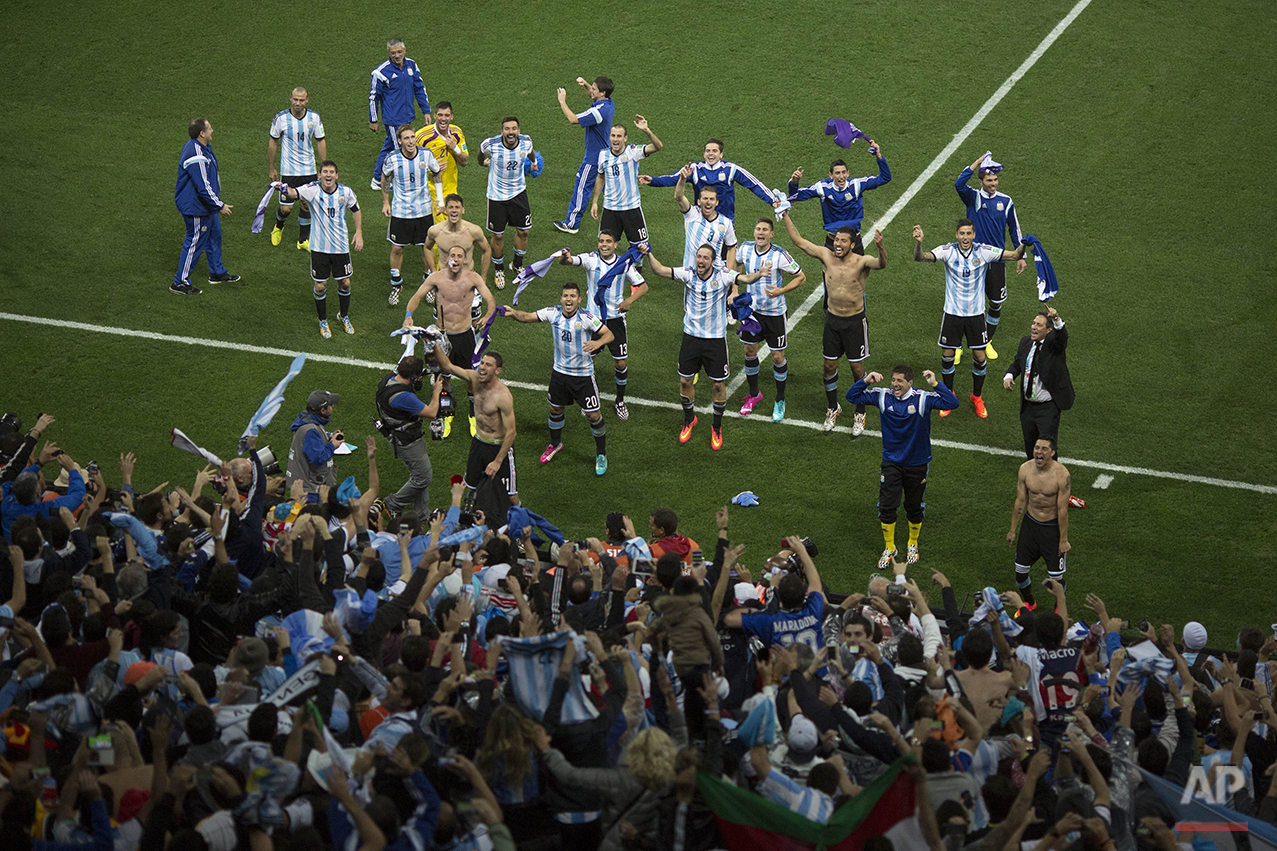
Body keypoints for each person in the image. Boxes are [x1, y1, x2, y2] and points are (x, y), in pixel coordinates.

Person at [637, 244, 769, 450]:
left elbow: (744, 279)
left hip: (715, 340)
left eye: (706, 258)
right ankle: (689, 420)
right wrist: (648, 253)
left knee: (718, 385)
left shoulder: (723, 275)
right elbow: (659, 270)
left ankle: (716, 427)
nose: (701, 261)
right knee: (684, 381)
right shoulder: (688, 274)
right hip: (691, 338)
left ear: (713, 261)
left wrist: (759, 274)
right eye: (699, 256)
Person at [845, 364, 959, 568]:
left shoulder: (922, 398)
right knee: (887, 507)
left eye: (899, 381)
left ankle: (912, 543)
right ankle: (890, 547)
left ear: (910, 383)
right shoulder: (882, 396)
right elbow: (851, 397)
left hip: (917, 462)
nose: (895, 385)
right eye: (893, 380)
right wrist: (865, 380)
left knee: (914, 507)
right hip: (892, 463)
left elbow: (952, 403)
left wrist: (935, 383)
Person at [781, 212, 886, 433]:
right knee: (828, 367)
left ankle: (860, 412)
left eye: (843, 241)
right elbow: (799, 242)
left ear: (853, 244)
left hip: (855, 323)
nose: (838, 244)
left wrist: (881, 247)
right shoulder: (826, 257)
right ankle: (832, 408)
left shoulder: (861, 261)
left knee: (858, 371)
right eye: (836, 240)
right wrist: (786, 215)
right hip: (832, 322)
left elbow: (881, 264)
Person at [913, 220, 1025, 419]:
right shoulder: (948, 251)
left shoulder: (984, 251)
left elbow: (1014, 255)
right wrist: (919, 242)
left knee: (980, 358)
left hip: (975, 316)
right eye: (962, 233)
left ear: (974, 235)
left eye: (969, 233)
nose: (965, 237)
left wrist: (1025, 243)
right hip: (952, 314)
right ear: (956, 234)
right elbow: (920, 257)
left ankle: (977, 397)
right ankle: (948, 396)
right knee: (947, 356)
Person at [501, 283, 614, 475]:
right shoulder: (552, 313)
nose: (568, 299)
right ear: (561, 299)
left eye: (572, 296)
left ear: (579, 299)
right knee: (555, 408)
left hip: (583, 375)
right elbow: (528, 317)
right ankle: (555, 444)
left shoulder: (587, 317)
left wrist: (598, 342)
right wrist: (513, 313)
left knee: (594, 415)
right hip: (560, 373)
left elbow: (609, 334)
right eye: (565, 296)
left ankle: (601, 454)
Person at [404, 245, 497, 437]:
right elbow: (417, 297)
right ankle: (447, 413)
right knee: (442, 376)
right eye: (452, 255)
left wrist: (488, 314)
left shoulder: (473, 278)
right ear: (446, 258)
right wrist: (408, 315)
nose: (455, 259)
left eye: (459, 256)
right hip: (442, 335)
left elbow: (490, 299)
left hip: (465, 335)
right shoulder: (436, 278)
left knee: (471, 377)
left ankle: (473, 414)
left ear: (465, 260)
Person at [557, 231, 649, 420]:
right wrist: (565, 257)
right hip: (593, 321)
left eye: (608, 241)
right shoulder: (591, 260)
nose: (604, 244)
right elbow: (569, 262)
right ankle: (589, 398)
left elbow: (643, 286)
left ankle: (620, 401)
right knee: (588, 360)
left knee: (620, 362)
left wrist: (629, 301)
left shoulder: (623, 264)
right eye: (601, 241)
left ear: (616, 245)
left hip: (615, 319)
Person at [278, 161, 364, 338]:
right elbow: (295, 193)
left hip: (340, 246)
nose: (328, 175)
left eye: (332, 172)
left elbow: (356, 209)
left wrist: (359, 232)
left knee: (345, 283)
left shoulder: (346, 192)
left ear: (337, 175)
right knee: (320, 286)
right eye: (325, 172)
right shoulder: (312, 190)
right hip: (319, 248)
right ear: (319, 175)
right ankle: (323, 321)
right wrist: (284, 188)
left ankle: (344, 316)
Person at [954, 152, 1027, 362]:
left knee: (995, 302)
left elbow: (1015, 229)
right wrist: (976, 162)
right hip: (973, 261)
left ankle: (986, 342)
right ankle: (957, 346)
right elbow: (959, 184)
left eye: (995, 180)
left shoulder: (1006, 201)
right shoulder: (973, 197)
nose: (993, 184)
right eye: (988, 180)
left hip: (997, 260)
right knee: (966, 304)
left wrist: (1020, 255)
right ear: (980, 181)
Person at [733, 218, 806, 421]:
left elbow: (801, 276)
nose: (761, 232)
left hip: (774, 313)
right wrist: (735, 288)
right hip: (752, 312)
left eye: (765, 229)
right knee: (749, 351)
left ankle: (780, 399)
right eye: (758, 229)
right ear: (754, 232)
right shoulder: (745, 248)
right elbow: (735, 264)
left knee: (777, 357)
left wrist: (782, 290)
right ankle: (754, 395)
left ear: (771, 234)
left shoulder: (779, 255)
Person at [432, 343, 519, 507]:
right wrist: (435, 344)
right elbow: (447, 366)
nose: (483, 368)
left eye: (488, 365)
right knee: (471, 488)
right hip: (478, 443)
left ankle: (521, 522)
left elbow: (512, 433)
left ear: (497, 371)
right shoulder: (474, 378)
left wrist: (498, 461)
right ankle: (472, 520)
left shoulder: (503, 396)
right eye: (482, 363)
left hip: (497, 447)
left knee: (510, 495)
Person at [374, 355, 446, 519]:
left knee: (420, 472)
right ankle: (392, 504)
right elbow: (432, 412)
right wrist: (436, 391)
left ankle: (421, 513)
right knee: (423, 477)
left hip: (396, 433)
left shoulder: (388, 380)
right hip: (406, 439)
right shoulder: (404, 397)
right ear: (413, 377)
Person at [786, 141, 890, 253]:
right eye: (837, 173)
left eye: (843, 172)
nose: (841, 176)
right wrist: (794, 182)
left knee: (861, 270)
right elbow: (795, 196)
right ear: (831, 175)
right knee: (829, 271)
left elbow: (885, 178)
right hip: (833, 242)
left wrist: (879, 156)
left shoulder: (856, 185)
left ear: (848, 173)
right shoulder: (823, 188)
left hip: (853, 242)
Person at [172, 117, 237, 296]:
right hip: (196, 207)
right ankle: (180, 282)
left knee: (214, 235)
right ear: (202, 133)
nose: (212, 130)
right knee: (194, 241)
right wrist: (220, 205)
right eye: (209, 128)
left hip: (205, 206)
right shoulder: (196, 154)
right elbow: (202, 186)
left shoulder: (200, 148)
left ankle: (217, 272)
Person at [1003, 306, 1076, 462]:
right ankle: (1034, 480)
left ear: (1049, 330)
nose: (1033, 327)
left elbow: (1062, 337)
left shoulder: (1054, 347)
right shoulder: (1026, 342)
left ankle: (1052, 481)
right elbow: (1018, 362)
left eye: (1038, 325)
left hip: (1047, 408)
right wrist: (1009, 376)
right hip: (1028, 407)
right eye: (1033, 323)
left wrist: (1056, 318)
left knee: (1046, 448)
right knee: (1031, 447)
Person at [381, 125, 444, 306]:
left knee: (426, 248)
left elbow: (437, 172)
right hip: (401, 211)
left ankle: (428, 283)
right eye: (406, 138)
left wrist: (439, 199)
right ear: (399, 141)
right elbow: (385, 177)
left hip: (423, 211)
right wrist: (386, 202)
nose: (410, 141)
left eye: (412, 137)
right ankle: (396, 285)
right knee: (397, 249)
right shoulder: (392, 158)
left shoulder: (426, 154)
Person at [642, 138, 775, 223]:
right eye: (708, 151)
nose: (711, 154)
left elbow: (754, 184)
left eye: (714, 151)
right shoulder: (695, 168)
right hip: (701, 221)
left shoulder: (731, 169)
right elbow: (672, 179)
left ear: (721, 154)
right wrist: (653, 180)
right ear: (704, 154)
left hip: (725, 222)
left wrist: (773, 200)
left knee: (727, 260)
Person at [1007, 436, 1072, 606]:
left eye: (1044, 449)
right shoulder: (1025, 469)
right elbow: (1020, 501)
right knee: (1020, 574)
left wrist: (1063, 540)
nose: (1039, 452)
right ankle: (1029, 602)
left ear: (1052, 452)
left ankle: (1060, 609)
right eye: (1037, 448)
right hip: (1030, 525)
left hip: (1052, 529)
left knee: (1056, 580)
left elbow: (1062, 510)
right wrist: (1013, 530)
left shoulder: (1062, 475)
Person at [478, 117, 536, 290]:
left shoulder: (526, 141)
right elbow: (480, 154)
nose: (511, 132)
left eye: (514, 128)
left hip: (519, 193)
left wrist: (533, 163)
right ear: (502, 130)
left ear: (518, 130)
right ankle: (499, 269)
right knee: (498, 236)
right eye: (507, 129)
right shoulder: (491, 144)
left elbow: (531, 151)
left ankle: (517, 265)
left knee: (524, 231)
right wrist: (483, 163)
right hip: (497, 196)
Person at [553, 75, 615, 234]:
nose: (591, 90)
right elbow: (593, 95)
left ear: (602, 92)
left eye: (594, 88)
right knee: (611, 191)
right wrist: (586, 85)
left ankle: (572, 224)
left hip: (593, 158)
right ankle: (618, 216)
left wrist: (562, 101)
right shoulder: (609, 102)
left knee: (582, 187)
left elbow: (573, 119)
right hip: (605, 154)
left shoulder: (597, 112)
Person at [267, 87, 327, 249]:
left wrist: (324, 166)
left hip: (309, 169)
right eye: (295, 99)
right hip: (289, 170)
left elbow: (320, 141)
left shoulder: (314, 118)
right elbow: (273, 141)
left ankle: (302, 240)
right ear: (290, 99)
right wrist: (272, 167)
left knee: (306, 204)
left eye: (301, 100)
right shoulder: (281, 119)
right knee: (286, 208)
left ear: (307, 100)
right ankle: (278, 227)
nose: (298, 103)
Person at [587, 115, 662, 245]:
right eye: (613, 136)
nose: (616, 139)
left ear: (625, 138)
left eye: (619, 136)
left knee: (640, 247)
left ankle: (637, 267)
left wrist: (646, 131)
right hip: (610, 208)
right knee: (605, 245)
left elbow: (657, 146)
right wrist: (595, 202)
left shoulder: (633, 152)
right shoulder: (603, 155)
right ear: (609, 137)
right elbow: (600, 176)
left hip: (631, 208)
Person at [368, 37, 431, 191]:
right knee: (401, 150)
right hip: (393, 119)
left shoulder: (412, 65)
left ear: (404, 50)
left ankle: (377, 179)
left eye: (399, 52)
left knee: (389, 145)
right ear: (388, 53)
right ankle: (401, 183)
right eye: (393, 53)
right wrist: (373, 120)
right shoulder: (381, 72)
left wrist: (426, 110)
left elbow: (419, 88)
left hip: (407, 115)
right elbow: (373, 97)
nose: (397, 55)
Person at [413, 100, 469, 220]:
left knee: (452, 230)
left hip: (451, 190)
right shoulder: (422, 136)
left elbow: (464, 162)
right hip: (430, 192)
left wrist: (455, 148)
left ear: (452, 117)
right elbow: (410, 164)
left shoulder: (457, 133)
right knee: (439, 233)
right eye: (440, 115)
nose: (443, 119)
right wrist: (431, 166)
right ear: (435, 116)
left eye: (447, 115)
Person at [676, 167, 737, 268]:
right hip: (692, 274)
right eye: (705, 198)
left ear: (717, 203)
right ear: (699, 201)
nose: (708, 202)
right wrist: (682, 179)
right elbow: (679, 197)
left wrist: (728, 274)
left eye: (711, 199)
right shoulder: (692, 214)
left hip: (715, 276)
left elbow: (731, 248)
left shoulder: (726, 222)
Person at [285, 389, 342, 495]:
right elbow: (318, 457)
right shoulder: (311, 430)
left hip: (305, 485)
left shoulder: (308, 420)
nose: (333, 406)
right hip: (310, 490)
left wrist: (328, 437)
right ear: (323, 410)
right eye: (330, 405)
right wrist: (332, 445)